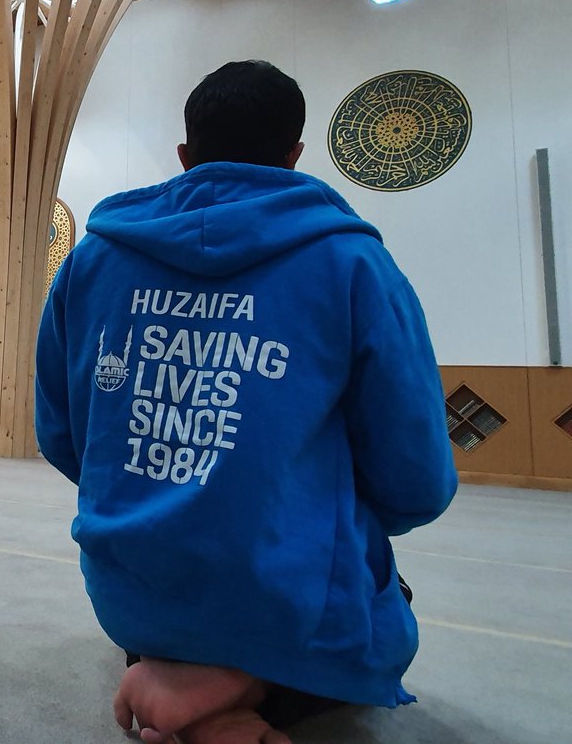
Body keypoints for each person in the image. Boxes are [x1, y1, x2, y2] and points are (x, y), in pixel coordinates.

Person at [34, 60, 458, 743]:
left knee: (202, 578)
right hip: (278, 593)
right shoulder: (352, 264)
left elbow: (61, 436)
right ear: (293, 155)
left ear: (184, 154)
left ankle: (175, 665)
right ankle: (247, 678)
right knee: (383, 599)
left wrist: (160, 487)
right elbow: (416, 482)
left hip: (129, 592)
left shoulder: (89, 262)